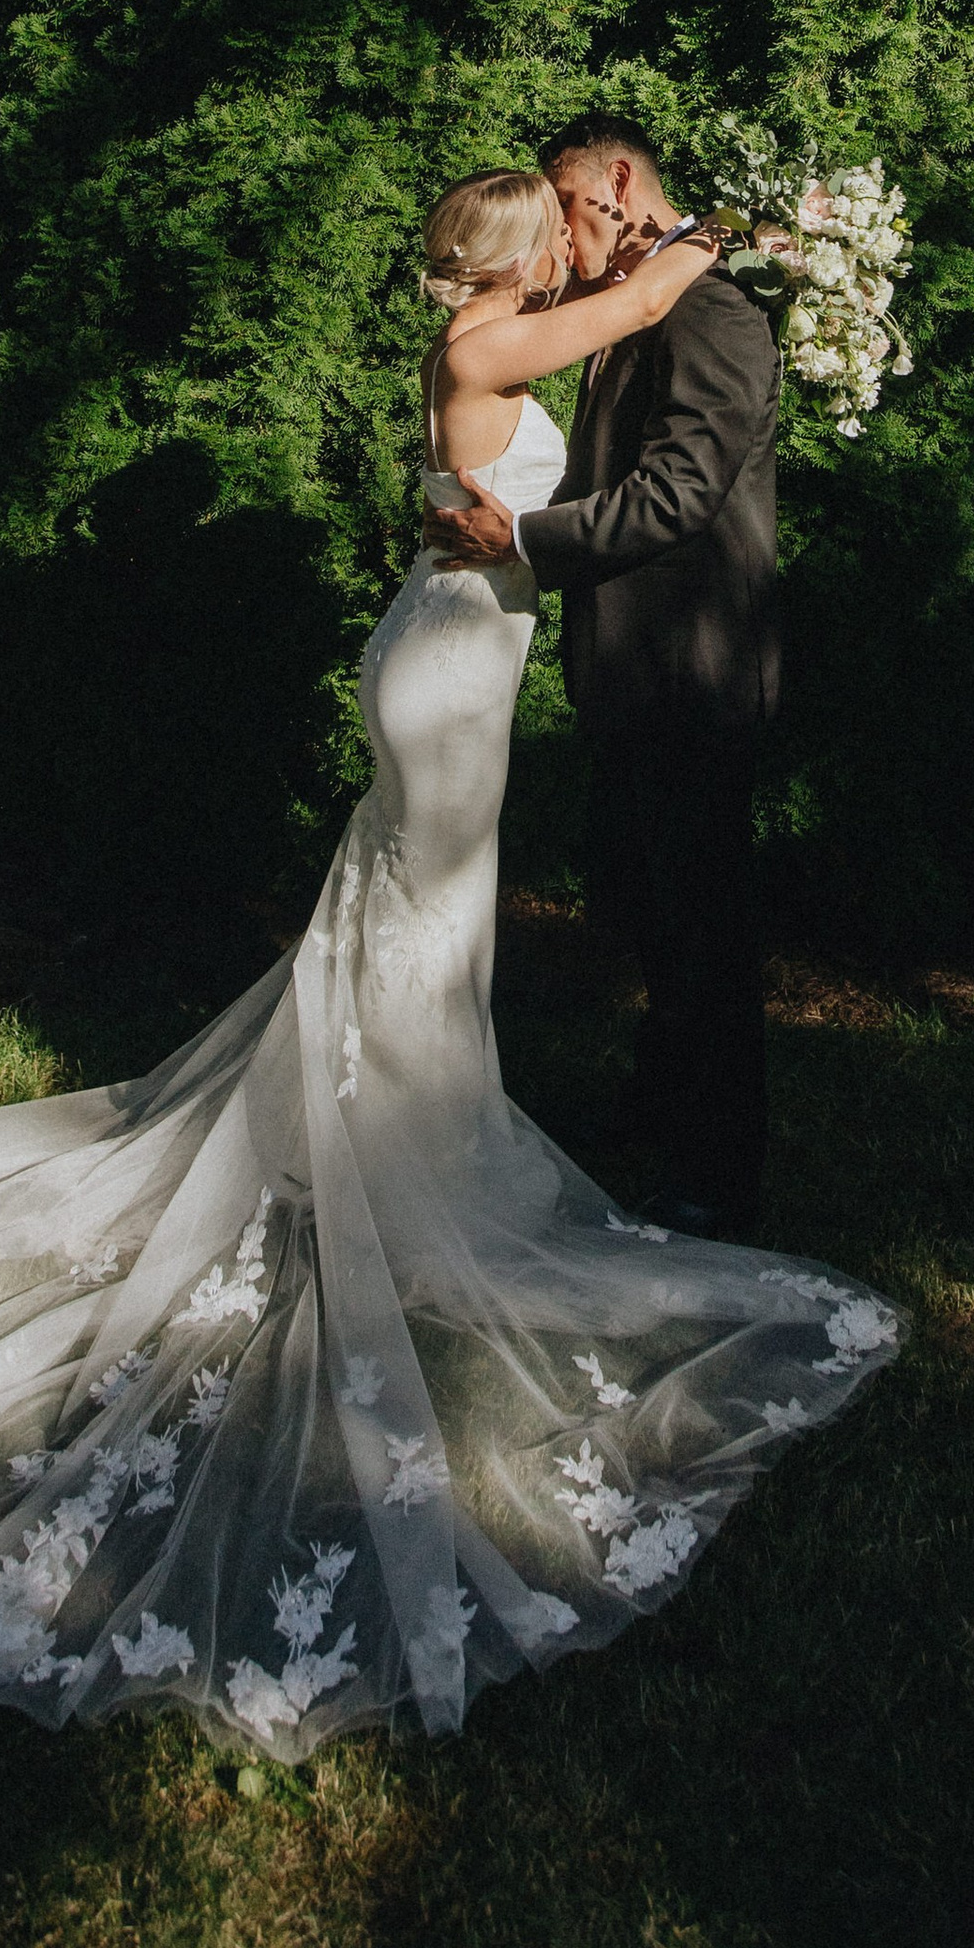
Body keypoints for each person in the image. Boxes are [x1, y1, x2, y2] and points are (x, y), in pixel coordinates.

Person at [0, 167, 897, 1760]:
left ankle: (406, 1124)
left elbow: (648, 349)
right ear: (525, 257)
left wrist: (695, 241)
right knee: (423, 912)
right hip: (452, 671)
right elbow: (654, 302)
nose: (579, 247)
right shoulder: (487, 347)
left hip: (453, 652)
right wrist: (718, 235)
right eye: (563, 227)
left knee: (421, 918)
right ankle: (403, 1155)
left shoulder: (512, 333)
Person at [426, 112, 777, 1239]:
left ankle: (716, 1175)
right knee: (656, 910)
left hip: (691, 666)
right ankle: (661, 1105)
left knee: (704, 928)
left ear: (617, 182)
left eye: (567, 206)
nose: (562, 239)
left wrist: (523, 541)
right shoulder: (637, 304)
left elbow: (678, 497)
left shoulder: (711, 311)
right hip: (628, 665)